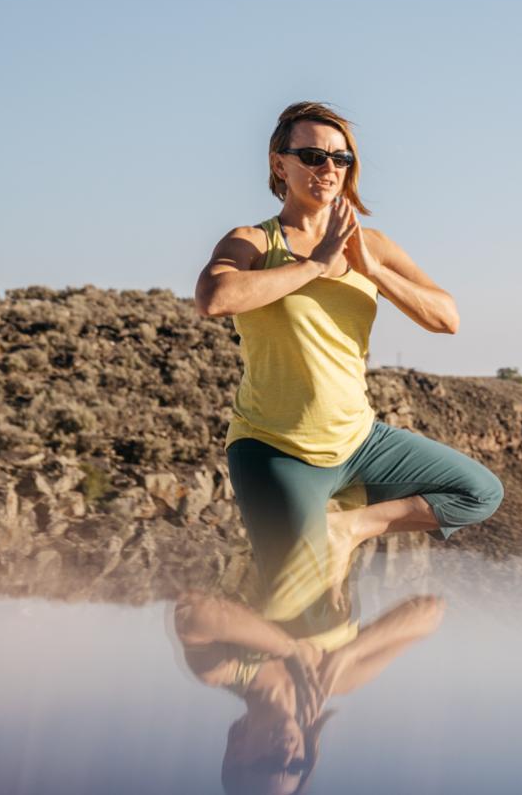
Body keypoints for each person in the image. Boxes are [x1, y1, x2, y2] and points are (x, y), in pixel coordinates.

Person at [195, 101, 503, 616]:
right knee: (303, 608)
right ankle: (251, 673)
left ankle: (351, 527)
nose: (328, 170)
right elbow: (215, 298)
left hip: (359, 440)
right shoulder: (253, 241)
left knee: (478, 491)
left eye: (340, 160)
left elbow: (445, 316)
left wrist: (370, 268)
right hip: (276, 449)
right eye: (313, 156)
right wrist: (316, 264)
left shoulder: (372, 245)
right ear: (279, 164)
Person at [174, 588, 446, 795]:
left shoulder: (222, 669)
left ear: (236, 751)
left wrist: (288, 649)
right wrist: (351, 651)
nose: (286, 755)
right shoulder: (338, 679)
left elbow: (193, 610)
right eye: (296, 767)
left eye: (268, 764)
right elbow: (430, 613)